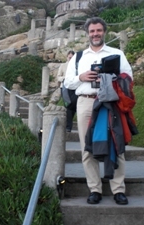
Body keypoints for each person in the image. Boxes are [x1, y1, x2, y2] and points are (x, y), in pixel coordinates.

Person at [64, 17, 133, 205]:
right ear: (87, 33)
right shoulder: (79, 57)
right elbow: (68, 81)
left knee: (117, 145)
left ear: (104, 31)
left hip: (111, 103)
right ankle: (94, 189)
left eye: (98, 30)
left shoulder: (116, 53)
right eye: (92, 31)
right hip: (86, 103)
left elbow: (129, 76)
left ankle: (118, 189)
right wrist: (82, 76)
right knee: (87, 148)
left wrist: (112, 77)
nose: (95, 34)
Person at [57, 50, 75, 132]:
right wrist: (64, 79)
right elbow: (58, 77)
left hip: (74, 87)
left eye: (72, 57)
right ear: (67, 57)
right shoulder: (63, 66)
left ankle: (68, 125)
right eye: (69, 57)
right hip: (64, 87)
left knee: (73, 106)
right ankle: (68, 127)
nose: (70, 59)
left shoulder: (77, 65)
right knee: (68, 106)